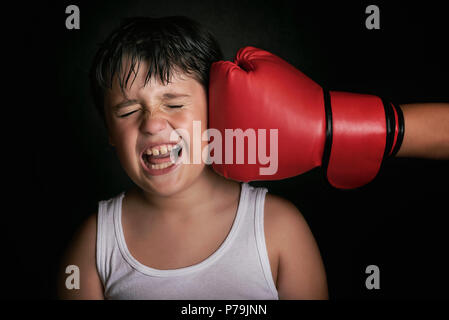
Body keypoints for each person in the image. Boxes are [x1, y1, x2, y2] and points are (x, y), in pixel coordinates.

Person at [58, 16, 448, 300]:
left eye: (174, 103)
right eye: (127, 112)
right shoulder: (95, 244)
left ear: (220, 105)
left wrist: (336, 127)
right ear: (109, 131)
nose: (154, 124)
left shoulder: (278, 228)